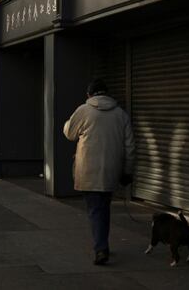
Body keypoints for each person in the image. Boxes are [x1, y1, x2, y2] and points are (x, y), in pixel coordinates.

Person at [63, 79, 135, 266]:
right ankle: (103, 244)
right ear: (107, 94)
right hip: (111, 170)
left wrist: (68, 123)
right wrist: (127, 171)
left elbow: (69, 133)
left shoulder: (83, 110)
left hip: (89, 170)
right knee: (104, 207)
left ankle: (101, 248)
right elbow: (130, 146)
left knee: (95, 209)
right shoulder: (121, 114)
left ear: (89, 94)